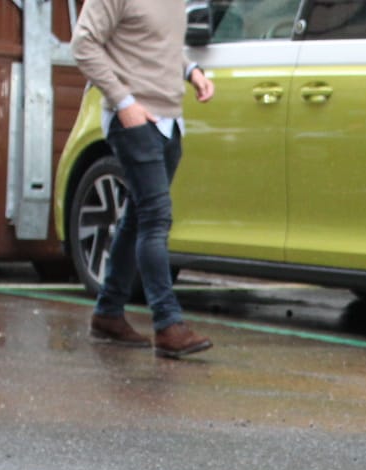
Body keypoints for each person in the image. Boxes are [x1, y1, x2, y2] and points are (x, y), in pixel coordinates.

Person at [71, 0, 216, 359]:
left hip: (169, 121)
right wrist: (123, 102)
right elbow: (83, 45)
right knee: (155, 217)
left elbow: (154, 45)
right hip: (133, 120)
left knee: (139, 216)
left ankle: (108, 313)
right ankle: (168, 324)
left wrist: (191, 71)